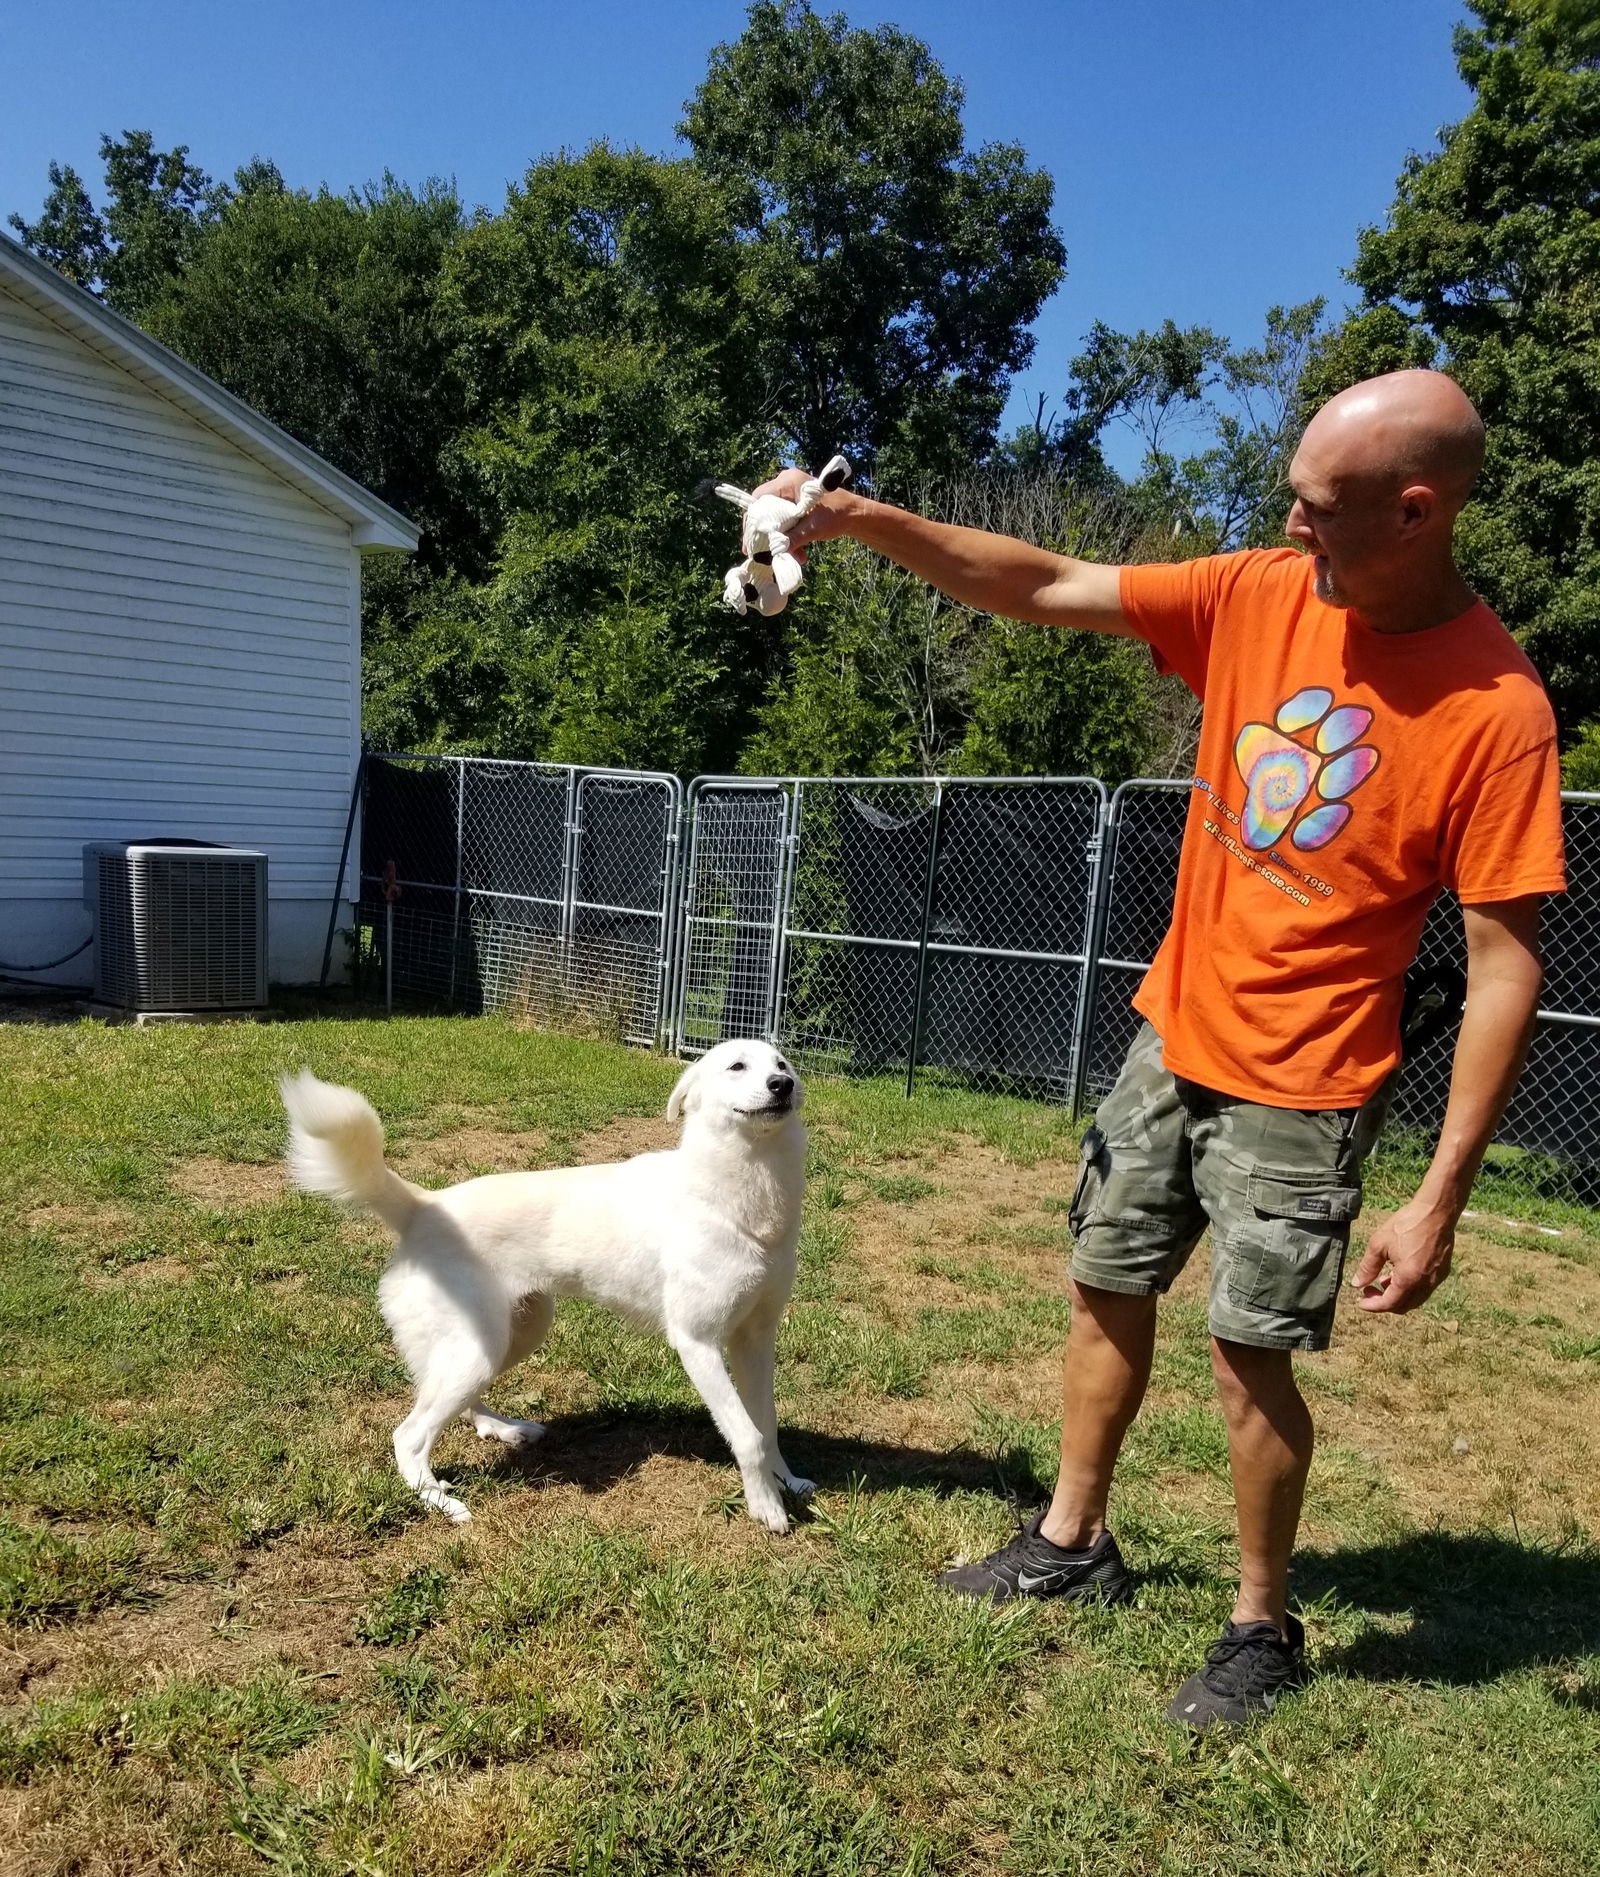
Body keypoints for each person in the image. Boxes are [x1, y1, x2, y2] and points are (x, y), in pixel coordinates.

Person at [756, 371, 1566, 1728]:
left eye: (1319, 508)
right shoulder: (1261, 592)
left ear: (1418, 510)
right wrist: (856, 517)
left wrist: (1439, 1199)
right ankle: (1073, 1542)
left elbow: (1505, 965)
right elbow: (1048, 583)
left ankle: (1262, 1624)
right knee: (1102, 1282)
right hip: (1171, 1033)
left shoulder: (1497, 710)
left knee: (1250, 1352)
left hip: (1307, 1087)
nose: (1292, 529)